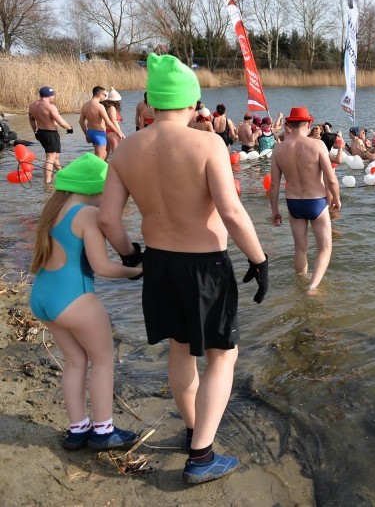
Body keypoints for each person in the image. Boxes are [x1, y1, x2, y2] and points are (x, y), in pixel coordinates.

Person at [98, 54, 269, 485]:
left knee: (179, 349)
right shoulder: (207, 142)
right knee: (222, 355)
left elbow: (107, 221)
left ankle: (195, 429)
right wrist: (258, 258)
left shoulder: (126, 149)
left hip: (158, 263)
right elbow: (230, 210)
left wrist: (130, 256)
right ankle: (202, 455)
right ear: (193, 101)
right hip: (205, 265)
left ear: (152, 103)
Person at [29, 153, 142, 451]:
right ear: (96, 189)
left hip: (42, 298)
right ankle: (103, 430)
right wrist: (139, 270)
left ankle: (78, 429)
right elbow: (103, 268)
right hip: (74, 299)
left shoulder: (54, 212)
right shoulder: (88, 215)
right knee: (103, 361)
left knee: (76, 362)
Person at [269, 106, 341, 293]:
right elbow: (331, 178)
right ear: (308, 123)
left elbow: (274, 185)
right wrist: (336, 199)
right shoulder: (317, 145)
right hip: (316, 200)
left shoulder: (278, 149)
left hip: (294, 203)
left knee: (300, 249)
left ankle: (301, 283)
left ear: (288, 125)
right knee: (325, 248)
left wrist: (274, 210)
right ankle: (313, 287)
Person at [29, 86, 74, 184]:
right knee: (50, 158)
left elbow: (31, 119)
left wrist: (35, 132)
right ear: (49, 95)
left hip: (40, 132)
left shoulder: (32, 105)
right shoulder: (50, 106)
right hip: (50, 133)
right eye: (53, 95)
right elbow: (61, 122)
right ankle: (47, 183)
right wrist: (69, 128)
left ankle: (62, 174)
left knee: (55, 157)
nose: (54, 97)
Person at [78, 86, 117, 160]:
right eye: (104, 95)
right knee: (101, 158)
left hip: (90, 132)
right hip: (99, 134)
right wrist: (118, 132)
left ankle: (103, 171)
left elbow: (81, 122)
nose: (105, 97)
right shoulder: (99, 106)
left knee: (102, 155)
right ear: (99, 94)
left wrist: (87, 134)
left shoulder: (85, 105)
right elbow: (108, 122)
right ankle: (93, 171)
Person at [102, 88, 127, 156]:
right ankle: (114, 166)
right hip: (112, 132)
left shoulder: (106, 107)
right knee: (116, 153)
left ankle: (106, 166)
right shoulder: (112, 108)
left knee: (106, 153)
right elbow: (114, 122)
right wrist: (120, 133)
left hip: (107, 131)